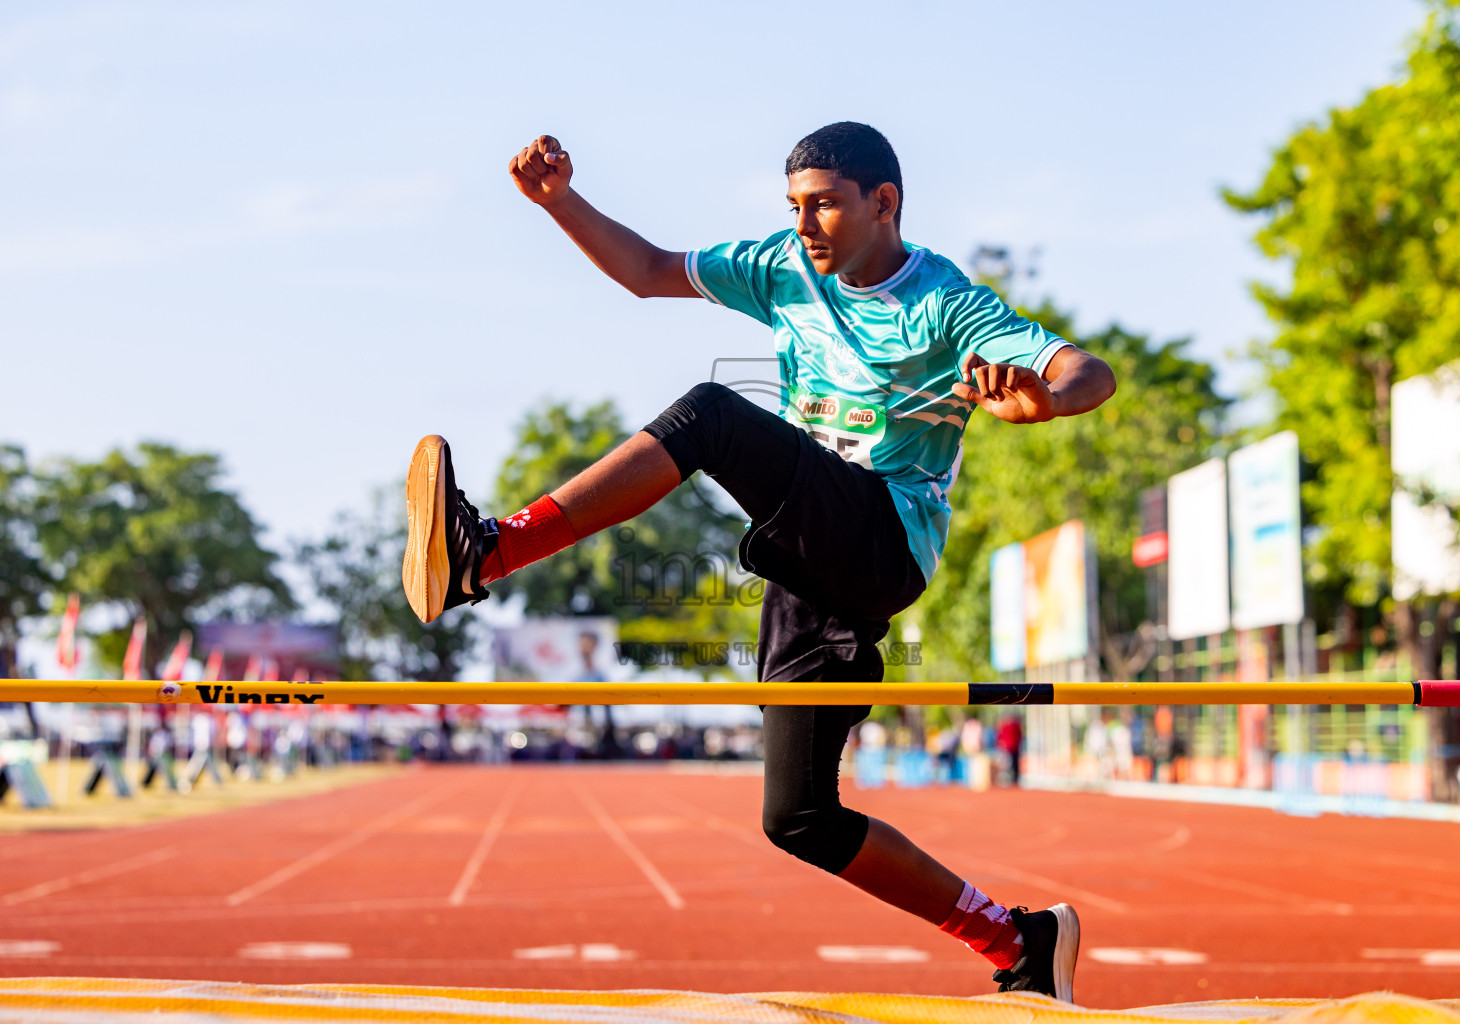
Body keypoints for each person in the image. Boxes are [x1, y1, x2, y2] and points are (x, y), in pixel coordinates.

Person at [400, 122, 1116, 1000]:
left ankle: (489, 553)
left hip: (883, 537)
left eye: (825, 206)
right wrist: (560, 202)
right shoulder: (783, 267)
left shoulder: (944, 303)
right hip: (809, 563)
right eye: (794, 207)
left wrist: (1042, 403)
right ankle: (1017, 940)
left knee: (710, 415)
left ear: (884, 203)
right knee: (799, 817)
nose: (804, 225)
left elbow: (1089, 372)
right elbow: (648, 270)